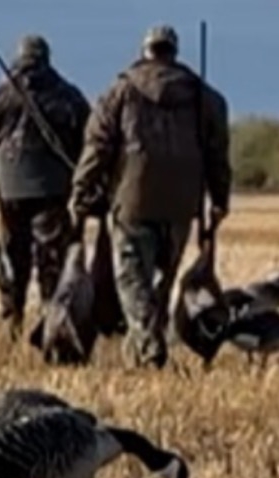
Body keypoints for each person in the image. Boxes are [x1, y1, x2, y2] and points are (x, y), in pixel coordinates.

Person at [71, 24, 232, 369]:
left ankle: (148, 348)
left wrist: (81, 193)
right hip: (181, 203)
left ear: (146, 50)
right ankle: (142, 349)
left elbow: (97, 148)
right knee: (163, 279)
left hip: (132, 199)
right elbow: (217, 154)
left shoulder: (120, 92)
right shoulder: (205, 97)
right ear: (173, 52)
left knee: (132, 279)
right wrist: (219, 200)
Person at [0, 35, 91, 337]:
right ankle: (50, 320)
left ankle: (13, 316)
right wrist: (89, 190)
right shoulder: (69, 97)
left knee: (13, 260)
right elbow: (90, 146)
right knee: (51, 262)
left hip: (10, 191)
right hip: (53, 191)